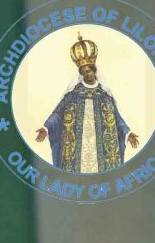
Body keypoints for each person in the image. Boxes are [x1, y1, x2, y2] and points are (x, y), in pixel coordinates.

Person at [34, 31, 139, 174]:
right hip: (77, 149)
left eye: (89, 71)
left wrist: (128, 133)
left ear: (94, 71)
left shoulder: (104, 95)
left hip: (101, 148)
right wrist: (46, 128)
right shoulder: (73, 94)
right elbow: (58, 113)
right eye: (83, 72)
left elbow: (117, 119)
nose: (87, 74)